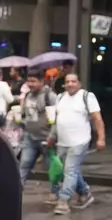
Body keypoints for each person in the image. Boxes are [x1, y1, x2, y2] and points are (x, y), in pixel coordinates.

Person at [47, 73, 105, 215]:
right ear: (64, 84)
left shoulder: (87, 96)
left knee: (70, 170)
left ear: (79, 83)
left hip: (80, 141)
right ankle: (85, 194)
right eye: (67, 82)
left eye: (73, 81)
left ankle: (63, 201)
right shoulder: (60, 97)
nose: (70, 84)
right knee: (69, 170)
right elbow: (56, 119)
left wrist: (101, 138)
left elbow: (97, 119)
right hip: (62, 142)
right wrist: (52, 136)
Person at [18, 69, 57, 203]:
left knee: (51, 167)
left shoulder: (49, 96)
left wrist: (52, 135)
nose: (30, 84)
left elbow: (56, 117)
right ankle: (16, 191)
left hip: (46, 138)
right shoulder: (28, 95)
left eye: (34, 81)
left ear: (42, 81)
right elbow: (28, 114)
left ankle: (55, 192)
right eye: (29, 81)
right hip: (30, 136)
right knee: (24, 164)